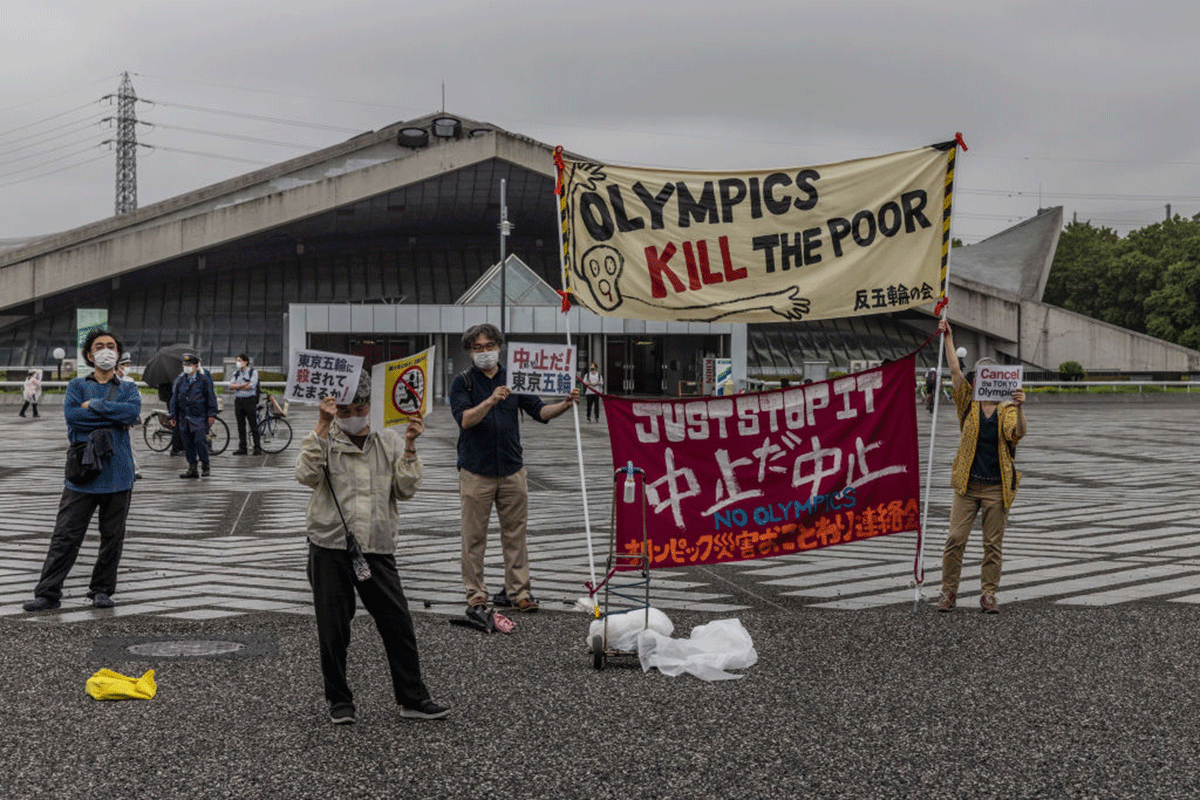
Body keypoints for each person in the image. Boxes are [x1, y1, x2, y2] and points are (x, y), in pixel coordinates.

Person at [294, 371, 449, 725]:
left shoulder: (388, 440)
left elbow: (406, 490)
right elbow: (305, 475)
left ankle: (412, 697)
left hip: (376, 546)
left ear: (370, 406)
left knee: (397, 622)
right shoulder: (325, 438)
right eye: (345, 410)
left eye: (360, 407)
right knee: (333, 628)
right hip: (330, 544)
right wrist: (321, 424)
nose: (353, 416)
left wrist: (410, 445)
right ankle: (339, 700)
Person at [450, 323, 580, 613]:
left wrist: (565, 404)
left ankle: (519, 592)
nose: (484, 352)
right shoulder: (463, 382)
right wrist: (490, 400)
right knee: (473, 537)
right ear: (470, 352)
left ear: (499, 346)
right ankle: (476, 592)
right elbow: (465, 420)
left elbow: (539, 411)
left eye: (489, 346)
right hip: (475, 470)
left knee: (515, 534)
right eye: (478, 348)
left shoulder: (515, 377)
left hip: (512, 469)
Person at [22, 330, 141, 612]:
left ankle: (101, 589)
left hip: (119, 474)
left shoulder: (128, 388)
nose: (105, 350)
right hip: (83, 474)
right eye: (99, 346)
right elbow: (74, 417)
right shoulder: (77, 386)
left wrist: (97, 406)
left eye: (111, 346)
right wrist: (112, 416)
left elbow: (131, 414)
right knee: (65, 535)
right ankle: (48, 592)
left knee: (112, 537)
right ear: (89, 355)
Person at [936, 319, 1027, 614]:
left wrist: (1022, 407)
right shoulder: (968, 404)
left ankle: (988, 595)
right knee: (955, 539)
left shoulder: (1008, 407)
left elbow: (1017, 434)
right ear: (978, 380)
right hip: (967, 484)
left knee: (993, 545)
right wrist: (948, 338)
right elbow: (954, 371)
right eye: (981, 377)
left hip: (997, 486)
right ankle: (949, 592)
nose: (983, 382)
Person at [168, 353, 218, 479]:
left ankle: (205, 466)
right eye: (184, 365)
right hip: (184, 418)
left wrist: (212, 414)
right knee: (187, 444)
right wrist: (172, 415)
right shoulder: (180, 380)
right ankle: (192, 468)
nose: (186, 367)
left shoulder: (203, 380)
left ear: (196, 366)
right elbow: (174, 399)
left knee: (200, 442)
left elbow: (211, 398)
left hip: (199, 417)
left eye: (189, 365)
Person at [228, 353, 263, 456]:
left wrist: (237, 386)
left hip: (249, 401)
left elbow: (251, 386)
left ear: (246, 362)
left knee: (253, 424)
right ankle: (242, 448)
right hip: (238, 401)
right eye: (237, 360)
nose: (238, 363)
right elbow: (230, 385)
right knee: (240, 425)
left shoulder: (253, 372)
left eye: (240, 360)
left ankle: (257, 447)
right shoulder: (236, 373)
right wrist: (243, 385)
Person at [117, 353, 142, 480]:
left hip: (127, 417)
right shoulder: (110, 380)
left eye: (128, 365)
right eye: (125, 365)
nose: (127, 367)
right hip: (114, 418)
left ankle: (135, 469)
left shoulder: (129, 381)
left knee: (131, 444)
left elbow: (137, 398)